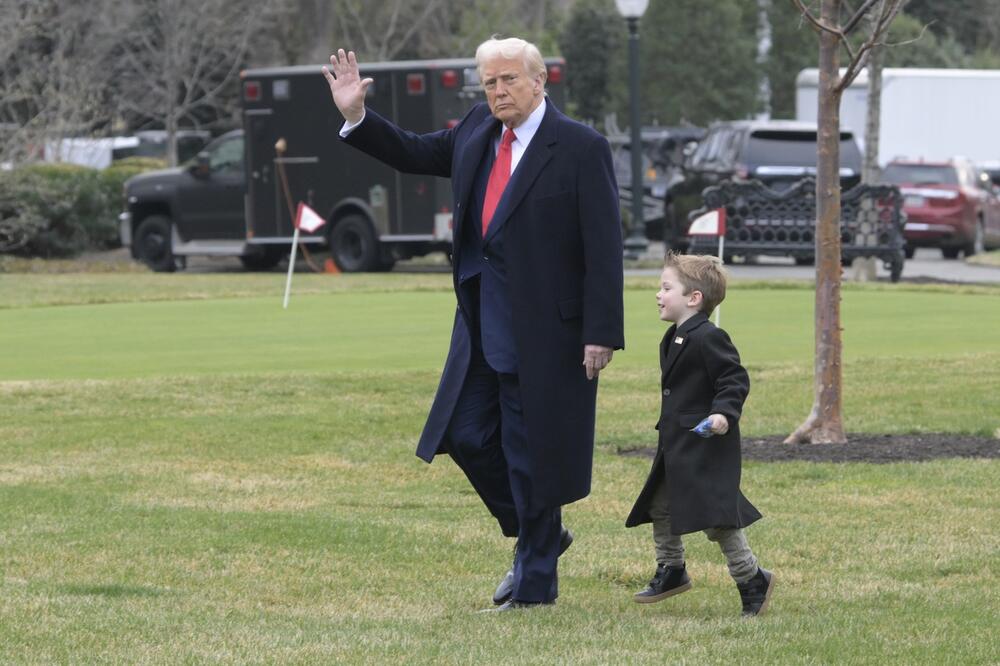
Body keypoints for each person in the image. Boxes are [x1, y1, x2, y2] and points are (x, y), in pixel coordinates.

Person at [323, 38, 624, 611]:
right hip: (481, 321)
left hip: (546, 331)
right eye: (489, 83)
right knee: (462, 433)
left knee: (528, 451)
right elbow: (412, 151)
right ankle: (542, 535)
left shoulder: (581, 147)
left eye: (509, 79)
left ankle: (534, 589)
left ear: (540, 82)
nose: (498, 91)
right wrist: (356, 115)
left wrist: (601, 329)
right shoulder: (476, 132)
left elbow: (604, 246)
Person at [624, 253, 775, 617]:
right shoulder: (673, 336)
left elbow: (733, 379)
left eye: (666, 288)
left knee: (716, 518)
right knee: (660, 507)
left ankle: (751, 577)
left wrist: (723, 413)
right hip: (676, 443)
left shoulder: (709, 337)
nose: (658, 294)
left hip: (703, 445)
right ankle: (672, 569)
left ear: (694, 298)